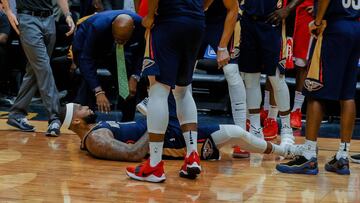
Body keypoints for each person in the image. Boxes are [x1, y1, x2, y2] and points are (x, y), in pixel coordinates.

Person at [60, 100, 293, 164]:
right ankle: (287, 151)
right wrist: (156, 123)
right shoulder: (95, 139)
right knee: (234, 132)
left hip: (164, 130)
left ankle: (284, 150)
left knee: (235, 133)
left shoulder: (96, 132)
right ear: (77, 121)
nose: (87, 106)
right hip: (169, 138)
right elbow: (132, 154)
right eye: (81, 108)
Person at [126, 0, 207, 183]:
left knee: (158, 90)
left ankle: (154, 165)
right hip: (196, 22)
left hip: (169, 19)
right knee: (183, 91)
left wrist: (149, 15)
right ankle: (192, 155)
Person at [276, 0, 360, 175]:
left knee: (315, 90)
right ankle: (342, 157)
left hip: (334, 27)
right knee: (347, 95)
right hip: (355, 28)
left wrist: (317, 20)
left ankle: (308, 156)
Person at [2, 0, 75, 136]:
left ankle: (17, 114)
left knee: (35, 70)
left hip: (49, 19)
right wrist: (8, 12)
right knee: (43, 67)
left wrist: (68, 14)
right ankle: (55, 117)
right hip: (28, 19)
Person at [238, 0, 303, 145]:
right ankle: (255, 128)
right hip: (248, 22)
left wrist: (288, 8)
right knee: (250, 78)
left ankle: (286, 130)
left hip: (274, 24)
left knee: (276, 78)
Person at [71, 10, 145, 121]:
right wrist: (99, 91)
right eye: (117, 39)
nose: (119, 42)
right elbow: (86, 59)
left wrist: (135, 76)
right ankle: (88, 120)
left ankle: (127, 121)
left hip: (114, 50)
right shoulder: (97, 27)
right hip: (87, 43)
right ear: (112, 27)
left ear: (133, 29)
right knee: (88, 81)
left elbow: (142, 52)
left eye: (123, 40)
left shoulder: (141, 25)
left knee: (126, 80)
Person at [290, 0, 314, 130]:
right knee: (277, 64)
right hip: (286, 13)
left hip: (308, 15)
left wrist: (320, 7)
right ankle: (267, 110)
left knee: (303, 66)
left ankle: (296, 110)